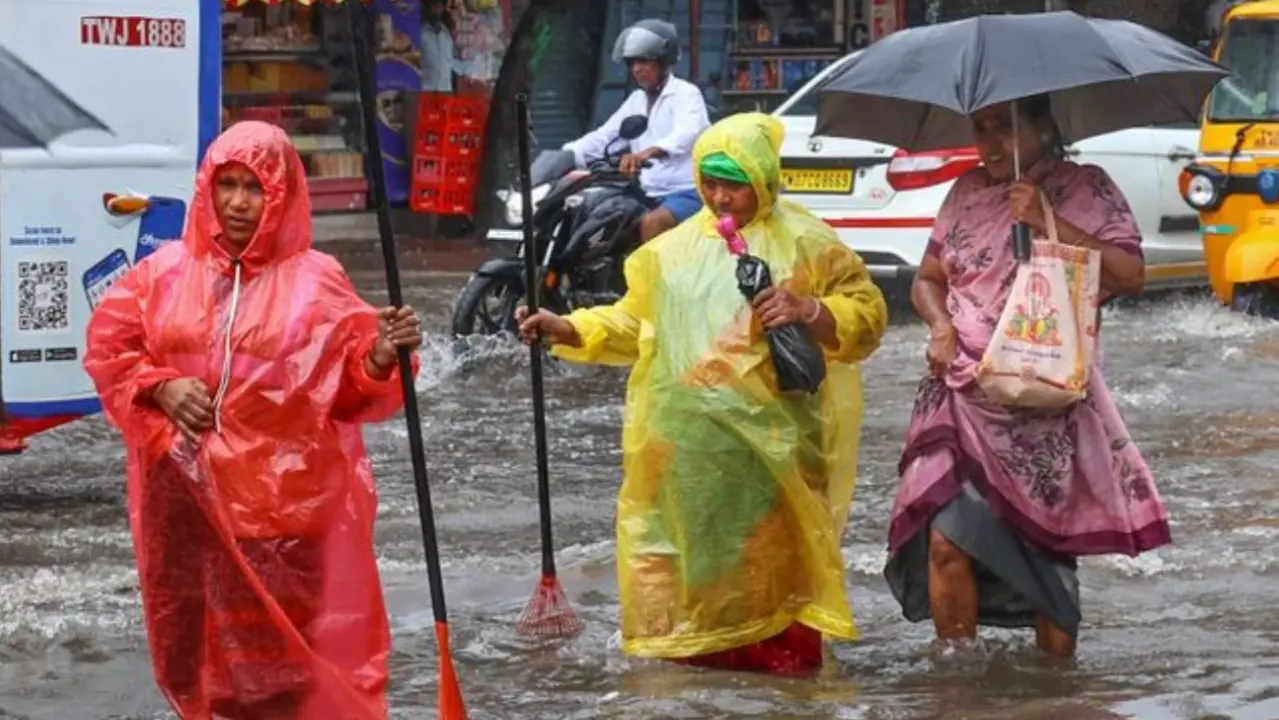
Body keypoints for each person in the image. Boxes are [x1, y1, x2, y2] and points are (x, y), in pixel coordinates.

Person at [517, 112, 888, 673]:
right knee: (694, 580)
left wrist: (810, 309)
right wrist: (569, 328)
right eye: (708, 184)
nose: (719, 198)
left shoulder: (809, 242)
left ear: (763, 179)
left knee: (772, 582)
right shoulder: (669, 254)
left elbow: (868, 315)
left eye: (733, 184)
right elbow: (633, 325)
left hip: (773, 453)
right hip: (685, 450)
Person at [82, 121, 423, 719]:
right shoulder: (161, 277)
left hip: (286, 523)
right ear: (206, 190)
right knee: (207, 674)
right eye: (227, 185)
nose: (238, 202)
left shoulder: (317, 282)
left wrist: (378, 355)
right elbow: (110, 352)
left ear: (283, 194)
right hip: (188, 516)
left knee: (294, 676)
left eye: (255, 188)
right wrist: (159, 388)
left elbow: (346, 389)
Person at [883, 94, 1171, 658]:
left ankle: (1053, 691)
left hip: (1043, 400)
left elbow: (1130, 275)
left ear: (1043, 127)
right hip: (961, 390)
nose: (990, 144)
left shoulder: (1086, 188)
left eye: (1004, 129)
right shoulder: (965, 193)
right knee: (944, 542)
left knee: (1045, 556)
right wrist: (940, 326)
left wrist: (1047, 220)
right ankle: (957, 684)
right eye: (980, 129)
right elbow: (928, 278)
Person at [562, 19, 711, 244]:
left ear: (663, 62)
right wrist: (565, 156)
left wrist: (647, 153)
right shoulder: (636, 100)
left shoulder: (686, 94)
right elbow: (605, 136)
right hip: (644, 191)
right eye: (632, 63)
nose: (636, 69)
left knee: (652, 223)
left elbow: (686, 133)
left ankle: (651, 280)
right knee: (590, 211)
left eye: (644, 61)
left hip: (686, 191)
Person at [420, 0, 457, 93]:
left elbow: (451, 64)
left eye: (440, 5)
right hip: (425, 92)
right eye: (435, 4)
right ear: (427, 7)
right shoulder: (420, 34)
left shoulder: (446, 34)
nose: (437, 9)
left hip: (445, 92)